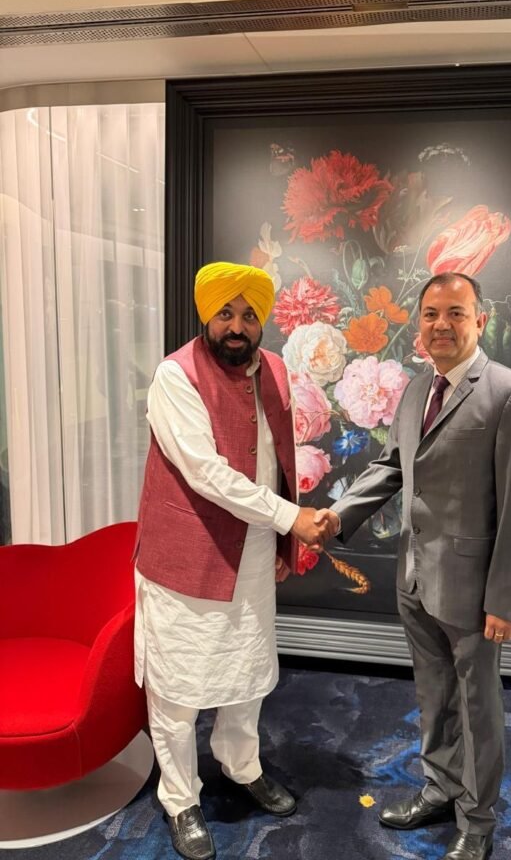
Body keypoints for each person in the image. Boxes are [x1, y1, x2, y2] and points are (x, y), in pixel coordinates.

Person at [317, 272, 511, 860]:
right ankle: (440, 788)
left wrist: (507, 599)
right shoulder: (418, 387)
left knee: (478, 706)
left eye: (455, 313)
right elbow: (392, 466)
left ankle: (478, 821)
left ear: (480, 320)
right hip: (416, 577)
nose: (441, 325)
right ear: (419, 323)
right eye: (430, 314)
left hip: (475, 589)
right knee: (434, 693)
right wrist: (336, 517)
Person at [134, 262, 330, 860]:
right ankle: (180, 799)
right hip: (185, 555)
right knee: (177, 686)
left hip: (253, 551)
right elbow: (206, 473)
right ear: (207, 315)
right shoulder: (175, 376)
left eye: (248, 315)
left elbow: (278, 458)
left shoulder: (274, 369)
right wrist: (290, 520)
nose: (237, 327)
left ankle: (242, 766)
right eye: (225, 313)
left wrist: (280, 540)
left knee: (247, 673)